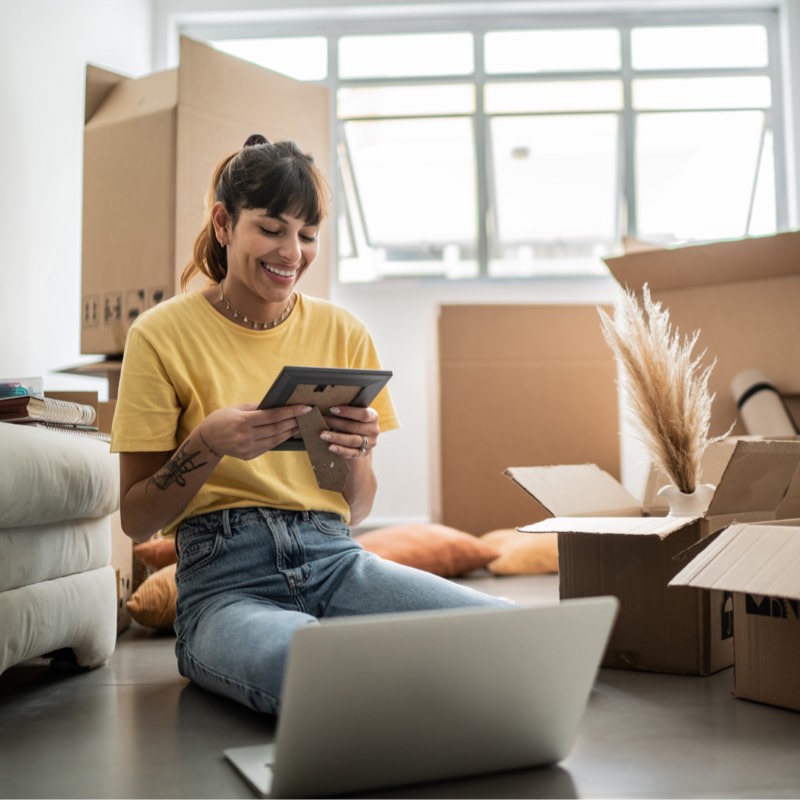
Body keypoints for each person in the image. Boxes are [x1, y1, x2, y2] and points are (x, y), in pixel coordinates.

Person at [111, 134, 511, 714]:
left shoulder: (343, 332)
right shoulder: (159, 334)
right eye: (272, 229)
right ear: (224, 224)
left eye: (307, 235)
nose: (291, 252)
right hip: (226, 583)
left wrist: (350, 454)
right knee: (309, 666)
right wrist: (207, 444)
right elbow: (136, 518)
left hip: (334, 559)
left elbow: (360, 508)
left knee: (509, 634)